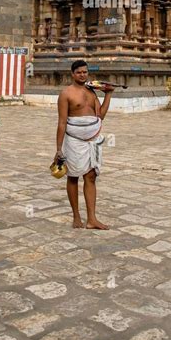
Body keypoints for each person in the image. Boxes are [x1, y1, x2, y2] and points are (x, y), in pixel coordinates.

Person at [54, 60, 114, 229]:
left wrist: (108, 94)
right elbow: (61, 122)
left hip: (93, 140)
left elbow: (100, 115)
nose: (83, 75)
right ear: (72, 74)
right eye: (79, 72)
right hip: (74, 140)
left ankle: (92, 219)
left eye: (85, 72)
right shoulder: (66, 94)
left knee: (91, 176)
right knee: (73, 176)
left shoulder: (92, 92)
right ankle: (76, 217)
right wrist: (58, 149)